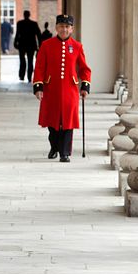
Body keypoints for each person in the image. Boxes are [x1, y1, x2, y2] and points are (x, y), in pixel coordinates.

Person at [33, 15, 91, 163]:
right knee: (52, 123)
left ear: (71, 29)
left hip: (70, 90)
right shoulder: (46, 45)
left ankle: (65, 152)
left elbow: (85, 69)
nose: (64, 29)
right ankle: (54, 147)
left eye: (67, 27)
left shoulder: (77, 47)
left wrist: (85, 86)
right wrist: (38, 87)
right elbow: (39, 67)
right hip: (51, 88)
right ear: (56, 28)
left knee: (67, 122)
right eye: (61, 26)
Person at [13, 10, 41, 82]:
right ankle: (29, 77)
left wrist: (15, 42)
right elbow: (38, 35)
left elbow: (17, 34)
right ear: (29, 15)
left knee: (22, 61)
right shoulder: (34, 24)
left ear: (24, 15)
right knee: (30, 61)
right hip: (31, 45)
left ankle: (22, 76)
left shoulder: (20, 23)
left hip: (22, 44)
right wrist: (40, 45)